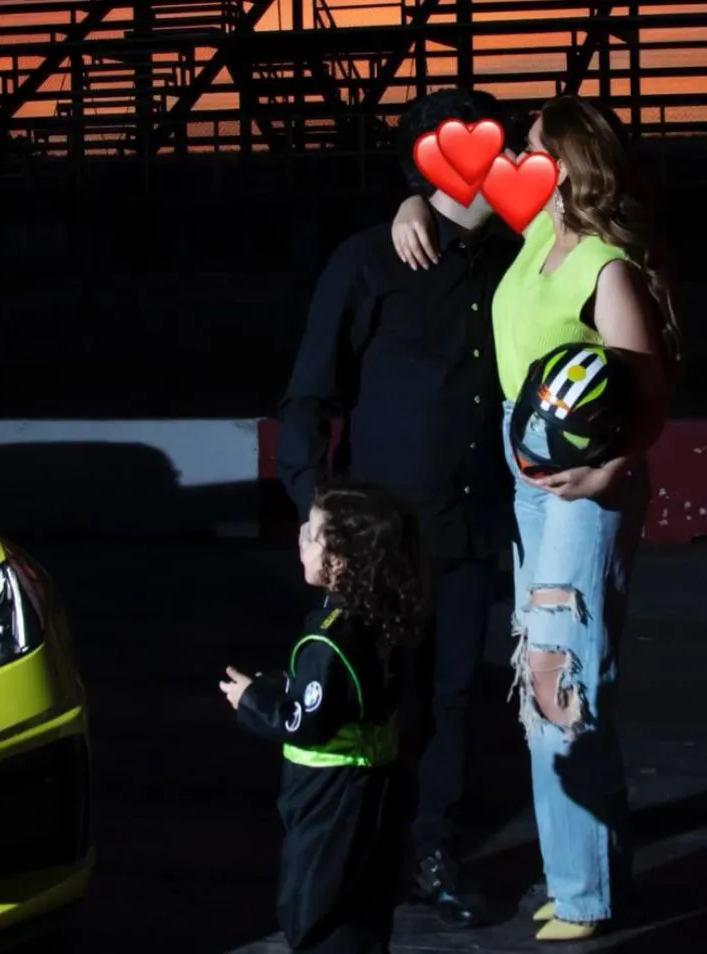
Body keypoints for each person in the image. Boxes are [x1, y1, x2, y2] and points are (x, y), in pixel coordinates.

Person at [389, 95, 682, 941]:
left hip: (580, 490)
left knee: (557, 685)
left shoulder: (602, 263)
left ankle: (583, 897)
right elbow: (446, 199)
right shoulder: (527, 238)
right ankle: (595, 871)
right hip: (528, 486)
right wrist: (409, 200)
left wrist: (610, 471)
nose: (516, 156)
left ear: (570, 161)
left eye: (532, 146)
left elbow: (649, 391)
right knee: (553, 681)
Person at [276, 87, 527, 927]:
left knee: (452, 698)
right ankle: (353, 845)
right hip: (379, 532)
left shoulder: (514, 261)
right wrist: (319, 510)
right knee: (365, 697)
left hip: (467, 524)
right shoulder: (365, 261)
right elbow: (309, 396)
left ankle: (432, 849)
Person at [220, 480, 424, 954]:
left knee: (314, 911)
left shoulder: (329, 640)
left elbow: (305, 722)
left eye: (312, 535)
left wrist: (252, 699)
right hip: (377, 790)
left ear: (340, 559)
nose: (300, 539)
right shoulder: (380, 616)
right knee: (365, 909)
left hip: (331, 801)